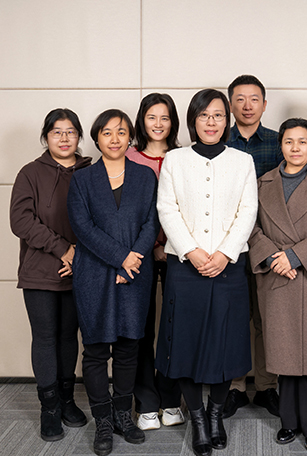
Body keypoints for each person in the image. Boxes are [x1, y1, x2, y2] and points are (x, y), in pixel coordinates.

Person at [154, 89, 257, 456]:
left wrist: (225, 253)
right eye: (203, 115)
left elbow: (248, 210)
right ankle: (197, 419)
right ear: (193, 120)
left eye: (218, 115)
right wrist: (193, 252)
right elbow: (167, 209)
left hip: (229, 267)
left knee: (225, 342)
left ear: (226, 120)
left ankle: (216, 416)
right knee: (186, 344)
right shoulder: (175, 159)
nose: (211, 122)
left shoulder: (242, 161)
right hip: (185, 267)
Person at [248, 118, 307, 452]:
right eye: (289, 141)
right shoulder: (262, 184)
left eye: (302, 142)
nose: (295, 148)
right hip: (276, 277)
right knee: (285, 355)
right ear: (281, 145)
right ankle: (289, 422)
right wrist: (274, 257)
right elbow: (250, 228)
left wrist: (294, 256)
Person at [67, 109, 159, 456]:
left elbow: (151, 222)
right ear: (96, 138)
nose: (115, 139)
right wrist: (121, 257)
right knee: (95, 349)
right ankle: (103, 421)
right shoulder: (82, 179)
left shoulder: (145, 176)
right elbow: (82, 227)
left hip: (136, 271)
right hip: (94, 272)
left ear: (130, 136)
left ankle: (123, 415)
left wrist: (133, 259)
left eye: (121, 132)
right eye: (107, 133)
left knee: (128, 346)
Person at [10, 108, 91, 441]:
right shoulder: (30, 173)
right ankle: (49, 408)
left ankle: (67, 400)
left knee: (69, 337)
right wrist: (63, 249)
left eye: (70, 131)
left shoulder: (91, 172)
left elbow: (102, 219)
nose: (64, 138)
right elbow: (21, 221)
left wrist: (79, 255)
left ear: (79, 136)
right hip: (39, 271)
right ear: (46, 137)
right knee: (45, 337)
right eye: (57, 132)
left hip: (80, 269)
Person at [223, 74, 283, 418]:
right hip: (227, 244)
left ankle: (266, 386)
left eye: (254, 99)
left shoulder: (278, 143)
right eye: (240, 99)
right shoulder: (218, 141)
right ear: (230, 104)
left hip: (268, 244)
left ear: (264, 103)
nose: (247, 106)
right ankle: (234, 387)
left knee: (266, 318)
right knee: (234, 318)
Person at [126, 93, 185, 431]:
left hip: (178, 254)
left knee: (174, 327)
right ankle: (146, 402)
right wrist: (149, 247)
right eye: (152, 117)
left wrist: (169, 245)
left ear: (173, 122)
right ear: (142, 120)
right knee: (141, 329)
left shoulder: (183, 157)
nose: (158, 124)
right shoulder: (128, 157)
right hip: (139, 256)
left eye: (165, 117)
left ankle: (171, 399)